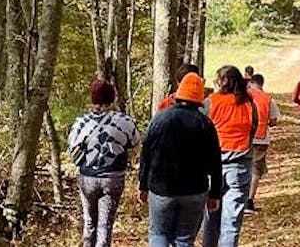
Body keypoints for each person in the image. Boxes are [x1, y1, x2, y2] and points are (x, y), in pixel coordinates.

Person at [140, 73, 222, 247]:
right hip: (194, 191)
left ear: (178, 94)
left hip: (161, 190)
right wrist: (215, 193)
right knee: (184, 239)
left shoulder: (159, 119)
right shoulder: (205, 124)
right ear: (200, 98)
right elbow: (215, 162)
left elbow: (146, 154)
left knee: (158, 234)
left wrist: (143, 185)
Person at [68, 79, 140, 247]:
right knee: (105, 225)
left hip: (88, 178)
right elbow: (136, 144)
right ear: (113, 98)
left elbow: (71, 145)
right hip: (113, 178)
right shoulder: (124, 121)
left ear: (92, 99)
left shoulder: (81, 123)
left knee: (89, 222)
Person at [203, 65, 257, 247]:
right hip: (239, 166)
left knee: (210, 216)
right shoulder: (249, 105)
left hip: (211, 166)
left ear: (223, 81)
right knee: (231, 222)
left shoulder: (211, 102)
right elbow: (253, 131)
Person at [245, 73, 280, 214]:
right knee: (255, 170)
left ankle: (236, 199)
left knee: (241, 166)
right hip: (261, 138)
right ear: (262, 84)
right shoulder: (268, 99)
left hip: (243, 137)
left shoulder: (243, 96)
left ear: (251, 83)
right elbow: (274, 120)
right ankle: (249, 201)